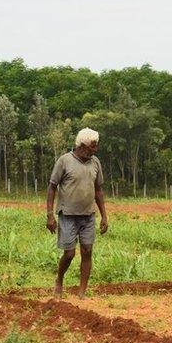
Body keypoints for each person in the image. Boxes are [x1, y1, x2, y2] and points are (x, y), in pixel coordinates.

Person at [46, 128, 109, 298]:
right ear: (82, 145)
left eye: (96, 146)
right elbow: (52, 187)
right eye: (92, 147)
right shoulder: (64, 161)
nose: (95, 150)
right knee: (69, 253)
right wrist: (50, 215)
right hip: (67, 215)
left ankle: (82, 292)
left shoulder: (95, 162)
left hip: (88, 215)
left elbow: (98, 190)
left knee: (87, 251)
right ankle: (59, 280)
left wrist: (104, 216)